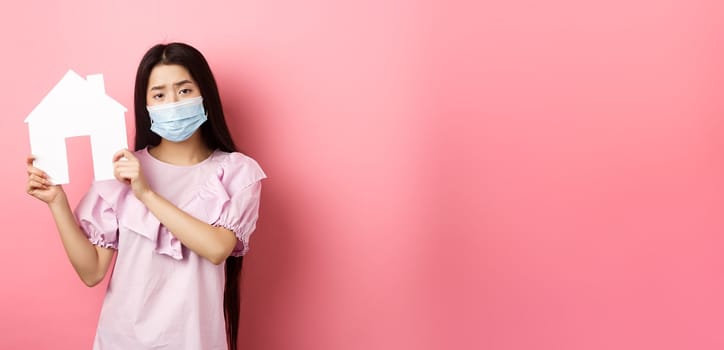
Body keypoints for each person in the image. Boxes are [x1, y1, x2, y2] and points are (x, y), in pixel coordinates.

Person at [25, 42, 266, 350]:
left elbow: (217, 248)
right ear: (146, 105)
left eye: (184, 90)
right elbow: (91, 272)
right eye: (159, 94)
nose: (173, 103)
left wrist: (146, 193)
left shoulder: (237, 172)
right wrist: (56, 201)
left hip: (197, 341)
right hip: (122, 340)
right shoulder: (119, 171)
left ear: (205, 95)